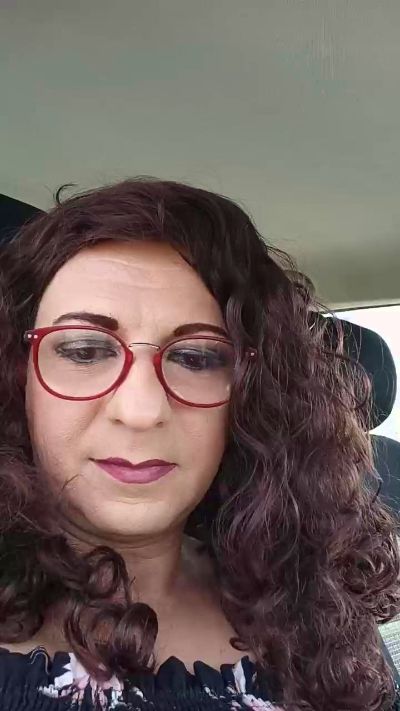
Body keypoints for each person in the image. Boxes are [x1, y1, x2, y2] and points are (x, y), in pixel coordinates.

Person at [0, 178, 399, 711]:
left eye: (197, 358)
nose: (141, 411)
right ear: (17, 376)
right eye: (84, 350)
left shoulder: (317, 609)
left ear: (253, 397)